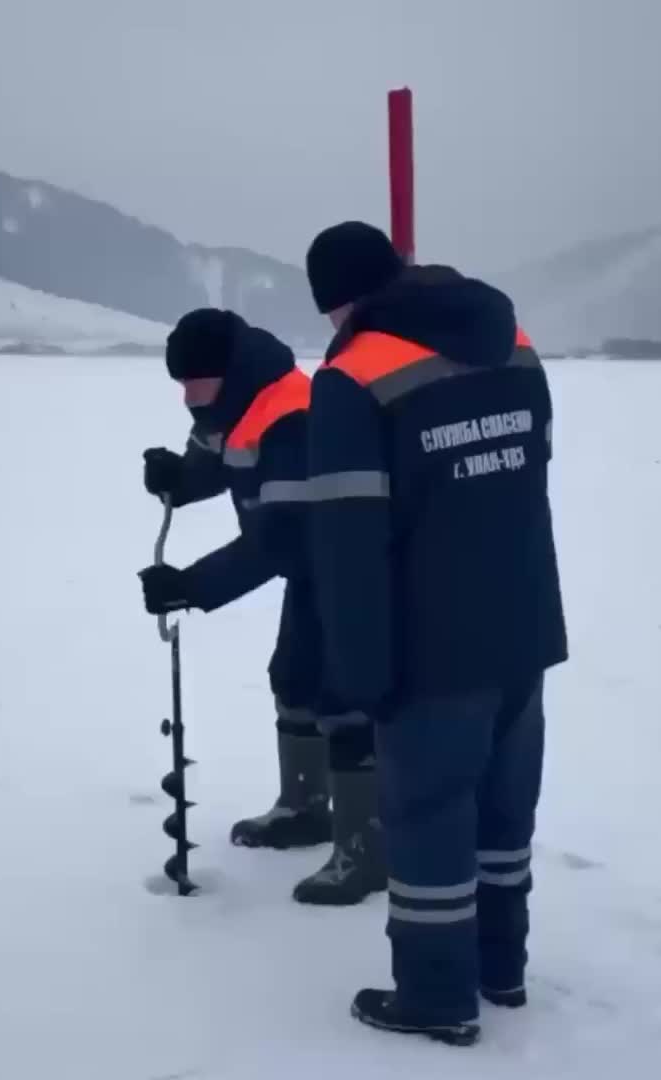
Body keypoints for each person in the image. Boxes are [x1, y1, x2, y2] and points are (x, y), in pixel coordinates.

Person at [302, 222, 568, 1044]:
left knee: (428, 817)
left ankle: (436, 996)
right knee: (503, 812)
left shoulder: (352, 376)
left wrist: (359, 671)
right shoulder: (513, 343)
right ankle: (501, 968)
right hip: (524, 621)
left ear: (341, 300)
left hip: (432, 640)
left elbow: (348, 542)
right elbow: (536, 465)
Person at [137, 307, 387, 906]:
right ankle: (304, 808)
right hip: (311, 568)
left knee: (343, 697)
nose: (186, 398)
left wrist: (191, 586)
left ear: (223, 372)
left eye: (192, 383)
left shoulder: (292, 414)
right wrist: (178, 479)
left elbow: (280, 541)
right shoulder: (228, 404)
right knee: (294, 678)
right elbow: (216, 462)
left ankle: (366, 850)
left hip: (350, 567)